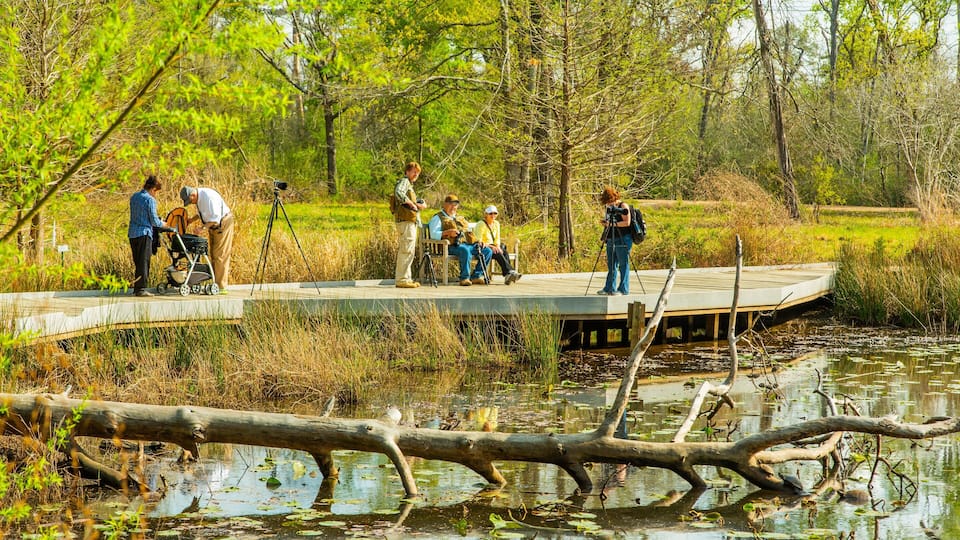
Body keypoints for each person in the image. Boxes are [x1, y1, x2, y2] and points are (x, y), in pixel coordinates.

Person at [428, 194, 492, 286]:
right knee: (464, 250)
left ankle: (476, 276)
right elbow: (433, 234)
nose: (453, 207)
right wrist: (447, 232)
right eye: (451, 204)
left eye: (455, 205)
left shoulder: (460, 218)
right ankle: (464, 278)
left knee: (487, 251)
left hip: (467, 244)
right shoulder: (438, 218)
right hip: (450, 246)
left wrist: (478, 241)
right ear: (445, 204)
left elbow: (470, 232)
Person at [180, 185, 234, 292]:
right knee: (213, 254)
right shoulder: (199, 198)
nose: (191, 203)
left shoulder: (208, 197)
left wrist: (202, 228)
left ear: (193, 195)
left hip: (222, 224)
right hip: (214, 226)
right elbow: (203, 213)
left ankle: (221, 286)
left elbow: (215, 219)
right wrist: (191, 220)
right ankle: (215, 283)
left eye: (190, 201)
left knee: (220, 255)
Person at [128, 175, 165, 297]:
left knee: (137, 261)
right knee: (144, 261)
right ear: (153, 189)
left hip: (133, 233)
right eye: (156, 192)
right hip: (144, 233)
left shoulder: (134, 197)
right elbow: (154, 221)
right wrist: (164, 224)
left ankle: (137, 287)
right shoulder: (150, 200)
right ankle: (141, 289)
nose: (156, 194)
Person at [393, 162, 427, 288]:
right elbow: (398, 192)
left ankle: (406, 278)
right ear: (407, 172)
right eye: (413, 172)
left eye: (417, 173)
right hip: (406, 221)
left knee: (409, 250)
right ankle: (402, 279)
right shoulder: (405, 181)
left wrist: (416, 204)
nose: (415, 175)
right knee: (406, 250)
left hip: (409, 221)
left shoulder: (409, 185)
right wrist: (411, 204)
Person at [596, 186, 633, 296]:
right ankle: (609, 288)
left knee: (623, 264)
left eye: (608, 201)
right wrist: (606, 223)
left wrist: (611, 224)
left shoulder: (623, 206)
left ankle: (623, 289)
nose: (608, 204)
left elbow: (627, 222)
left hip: (624, 238)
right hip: (611, 238)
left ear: (613, 198)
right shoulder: (609, 207)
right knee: (611, 264)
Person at [475, 205, 521, 285]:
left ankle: (508, 274)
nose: (493, 216)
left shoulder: (496, 224)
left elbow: (497, 238)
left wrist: (497, 246)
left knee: (503, 251)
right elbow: (478, 240)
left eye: (495, 213)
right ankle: (510, 272)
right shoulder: (481, 224)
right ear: (486, 214)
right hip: (484, 248)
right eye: (490, 214)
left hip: (493, 246)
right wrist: (492, 247)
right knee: (498, 252)